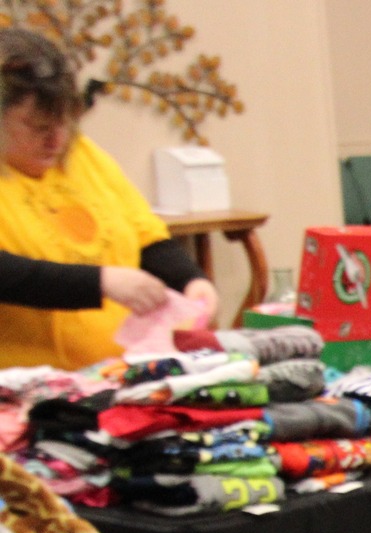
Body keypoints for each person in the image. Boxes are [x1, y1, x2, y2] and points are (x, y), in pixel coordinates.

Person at [0, 29, 216, 370]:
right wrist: (99, 282)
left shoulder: (82, 154)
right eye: (36, 126)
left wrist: (191, 280)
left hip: (111, 375)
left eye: (65, 122)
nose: (57, 139)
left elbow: (143, 235)